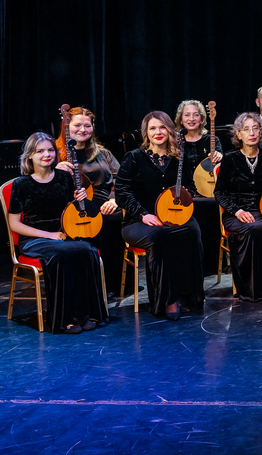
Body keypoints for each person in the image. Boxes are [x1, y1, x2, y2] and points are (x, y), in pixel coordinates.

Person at [6, 132, 108, 333]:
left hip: (63, 234)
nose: (47, 155)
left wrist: (80, 199)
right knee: (62, 254)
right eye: (40, 151)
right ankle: (65, 319)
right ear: (30, 156)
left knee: (87, 250)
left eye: (50, 150)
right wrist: (49, 236)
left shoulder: (64, 178)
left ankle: (87, 314)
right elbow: (14, 224)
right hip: (35, 238)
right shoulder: (21, 184)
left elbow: (73, 211)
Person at [115, 111, 205, 320]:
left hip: (173, 214)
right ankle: (167, 300)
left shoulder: (179, 157)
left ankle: (188, 296)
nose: (158, 132)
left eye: (162, 127)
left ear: (170, 130)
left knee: (192, 230)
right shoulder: (134, 158)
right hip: (139, 220)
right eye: (153, 128)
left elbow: (190, 186)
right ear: (146, 132)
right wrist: (143, 214)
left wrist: (186, 194)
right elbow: (122, 193)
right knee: (160, 235)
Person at [214, 112, 262, 301]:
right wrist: (237, 211)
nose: (252, 133)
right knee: (252, 230)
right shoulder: (230, 158)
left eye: (255, 128)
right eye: (246, 129)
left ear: (261, 131)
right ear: (238, 134)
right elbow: (220, 193)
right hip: (236, 213)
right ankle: (251, 289)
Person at [56, 106, 123, 290]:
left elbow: (121, 179)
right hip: (74, 210)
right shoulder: (54, 154)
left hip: (105, 205)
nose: (83, 130)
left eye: (88, 125)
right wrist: (54, 171)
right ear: (67, 126)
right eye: (77, 125)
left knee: (114, 218)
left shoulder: (102, 153)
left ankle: (113, 283)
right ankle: (89, 286)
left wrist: (114, 199)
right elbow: (36, 181)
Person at [175, 99, 224, 274]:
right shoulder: (176, 141)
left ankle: (213, 264)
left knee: (211, 209)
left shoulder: (211, 140)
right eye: (187, 115)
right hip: (186, 193)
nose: (191, 118)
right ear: (180, 119)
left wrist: (220, 157)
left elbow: (220, 168)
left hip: (209, 193)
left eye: (196, 115)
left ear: (202, 118)